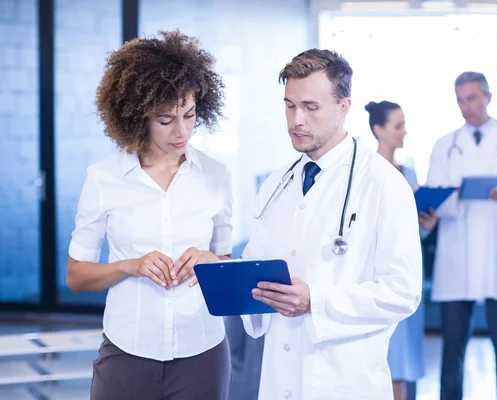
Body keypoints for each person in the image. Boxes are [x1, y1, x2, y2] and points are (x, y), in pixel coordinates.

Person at [239, 49, 423, 400]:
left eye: (311, 107)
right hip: (280, 378)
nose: (296, 120)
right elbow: (256, 269)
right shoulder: (275, 185)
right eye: (290, 105)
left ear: (343, 107)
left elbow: (403, 291)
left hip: (346, 381)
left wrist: (316, 301)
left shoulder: (384, 183)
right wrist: (224, 274)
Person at [66, 30, 232, 400]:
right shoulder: (103, 177)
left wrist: (211, 261)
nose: (182, 130)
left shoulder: (217, 176)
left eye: (190, 115)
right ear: (138, 115)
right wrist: (130, 266)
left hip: (202, 351)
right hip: (128, 352)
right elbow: (77, 277)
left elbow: (225, 261)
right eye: (166, 119)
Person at [425, 71, 497, 400]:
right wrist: (453, 196)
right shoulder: (445, 145)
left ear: (487, 97)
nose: (466, 107)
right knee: (452, 347)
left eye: (472, 98)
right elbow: (435, 197)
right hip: (456, 255)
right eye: (460, 100)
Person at [365, 100, 437, 400]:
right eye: (398, 126)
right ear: (378, 129)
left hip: (408, 273)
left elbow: (413, 233)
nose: (404, 132)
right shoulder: (366, 173)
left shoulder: (409, 175)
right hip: (377, 275)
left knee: (407, 356)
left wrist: (428, 225)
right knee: (386, 355)